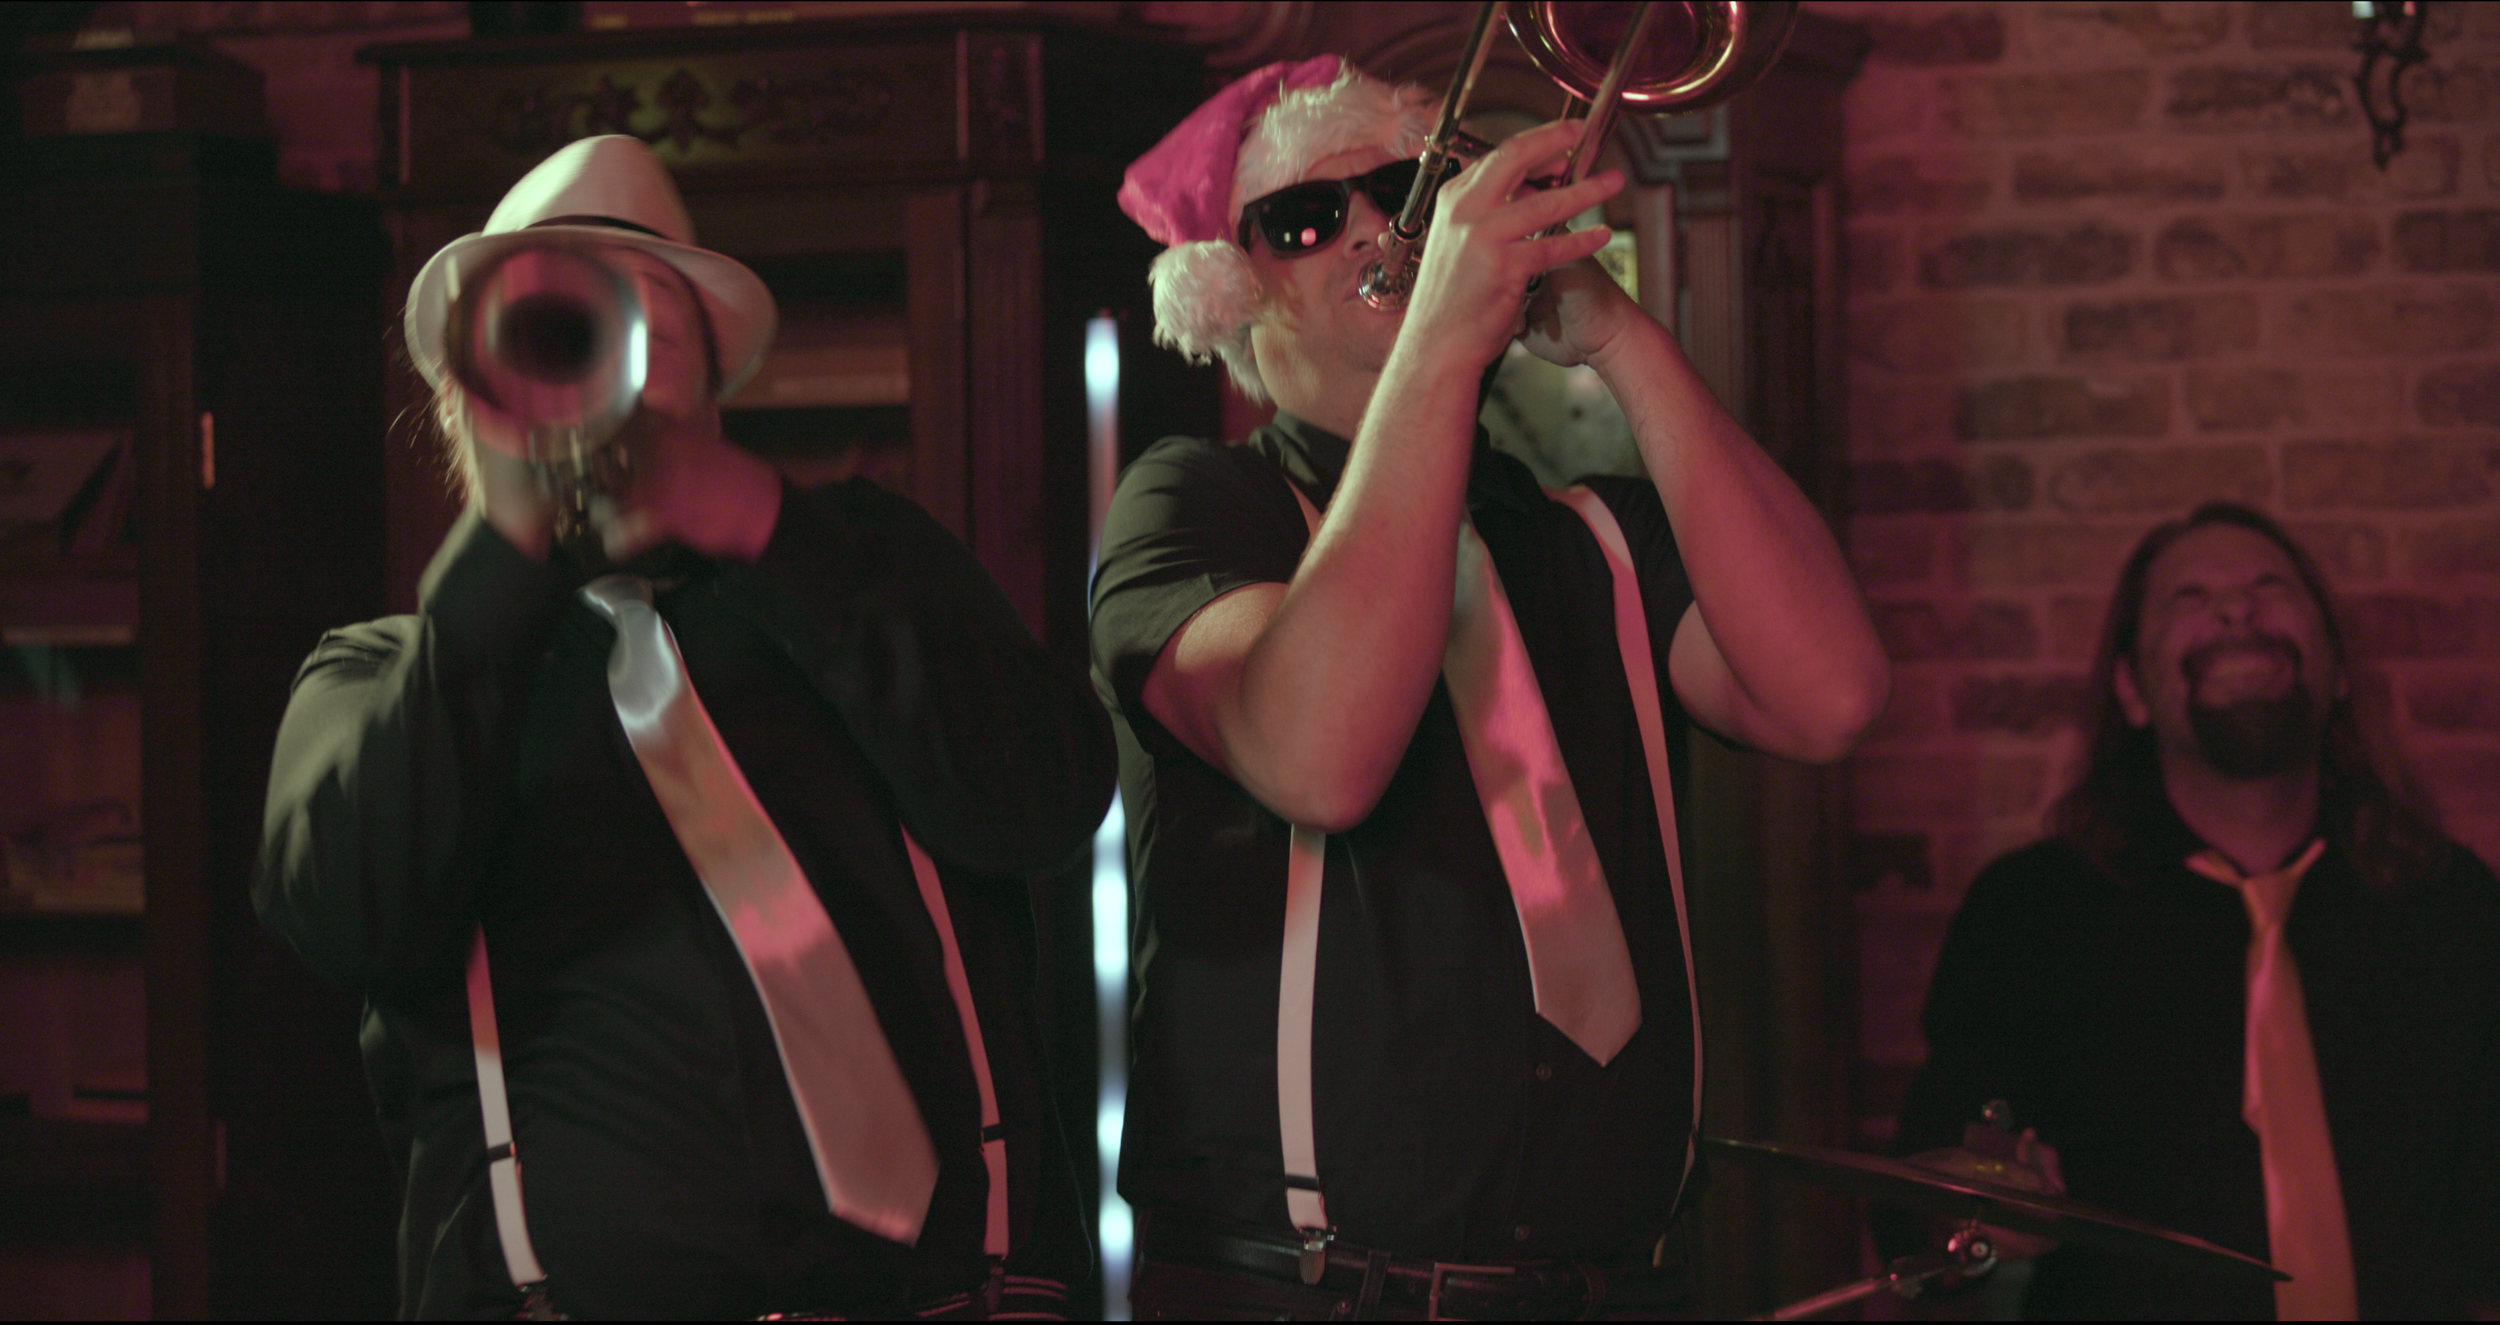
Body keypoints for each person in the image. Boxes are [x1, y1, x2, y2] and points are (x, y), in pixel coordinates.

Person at [254, 136, 1115, 1319]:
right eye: (556, 333)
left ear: (717, 376)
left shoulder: (864, 566)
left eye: (647, 322)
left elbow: (1049, 798)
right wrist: (507, 558)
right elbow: (348, 912)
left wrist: (769, 527)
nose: (607, 365)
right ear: (469, 398)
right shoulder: (388, 674)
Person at [1091, 59, 1889, 1318]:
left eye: (1398, 190)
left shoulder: (1587, 538)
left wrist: (1618, 338)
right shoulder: (1200, 502)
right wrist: (1440, 347)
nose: (1370, 230)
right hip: (1314, 1295)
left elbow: (1828, 695)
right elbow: (1316, 754)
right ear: (1238, 287)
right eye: (1306, 219)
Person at [1892, 502, 2500, 1320]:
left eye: (2268, 587)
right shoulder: (2032, 916)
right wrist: (1980, 1212)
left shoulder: (2450, 906)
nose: (2235, 609)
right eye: (2188, 598)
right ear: (2132, 690)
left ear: (2339, 669)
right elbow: (1916, 1224)